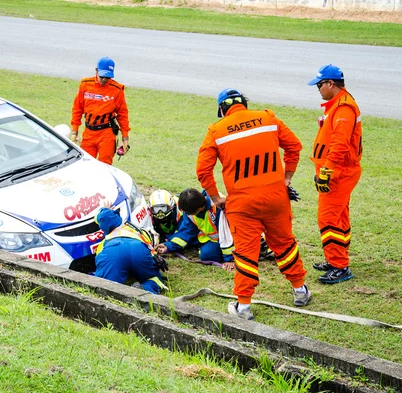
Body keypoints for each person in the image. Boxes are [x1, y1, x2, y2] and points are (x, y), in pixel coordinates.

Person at [196, 88, 311, 320]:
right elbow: (294, 146)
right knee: (284, 244)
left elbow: (202, 169)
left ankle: (244, 306)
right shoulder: (268, 118)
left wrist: (216, 197)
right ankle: (300, 290)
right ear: (244, 104)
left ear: (222, 109)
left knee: (247, 253)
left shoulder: (217, 130)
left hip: (242, 203)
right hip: (275, 197)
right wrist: (286, 178)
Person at [307, 64, 362, 284]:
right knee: (338, 216)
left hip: (338, 173)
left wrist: (326, 172)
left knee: (328, 218)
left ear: (331, 84)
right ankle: (335, 259)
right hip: (335, 171)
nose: (318, 89)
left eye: (320, 85)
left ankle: (340, 266)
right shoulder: (337, 105)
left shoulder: (344, 108)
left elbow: (339, 145)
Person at [94, 202, 168, 294]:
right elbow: (150, 252)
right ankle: (144, 289)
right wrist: (155, 260)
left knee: (103, 287)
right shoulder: (142, 235)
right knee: (155, 279)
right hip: (138, 250)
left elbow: (105, 217)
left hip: (113, 251)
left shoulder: (126, 226)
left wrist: (105, 210)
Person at [70, 56, 130, 165]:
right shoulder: (85, 85)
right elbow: (77, 108)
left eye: (107, 77)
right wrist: (75, 130)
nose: (104, 80)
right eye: (102, 76)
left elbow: (122, 114)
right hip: (88, 133)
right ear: (96, 71)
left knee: (105, 166)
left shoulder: (117, 90)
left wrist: (125, 138)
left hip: (106, 133)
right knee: (85, 164)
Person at [155, 188, 235, 270]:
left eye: (187, 212)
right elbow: (187, 231)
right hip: (214, 239)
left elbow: (226, 234)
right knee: (205, 253)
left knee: (208, 254)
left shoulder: (218, 207)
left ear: (199, 208)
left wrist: (229, 259)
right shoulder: (191, 207)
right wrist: (168, 246)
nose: (186, 214)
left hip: (233, 236)